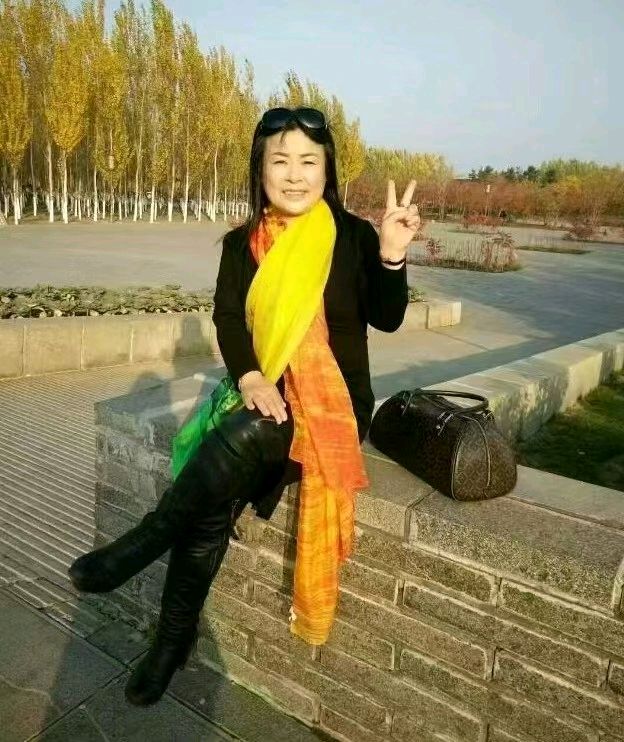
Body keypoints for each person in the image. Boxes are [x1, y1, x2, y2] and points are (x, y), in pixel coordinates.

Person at [67, 106, 420, 706]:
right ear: (260, 170)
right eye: (280, 161)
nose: (294, 174)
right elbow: (228, 318)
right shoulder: (242, 244)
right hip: (264, 393)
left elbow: (386, 319)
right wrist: (252, 375)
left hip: (335, 406)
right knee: (208, 508)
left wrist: (391, 254)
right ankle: (171, 643)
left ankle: (145, 541)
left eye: (308, 161)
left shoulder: (353, 236)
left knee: (248, 434)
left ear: (327, 170)